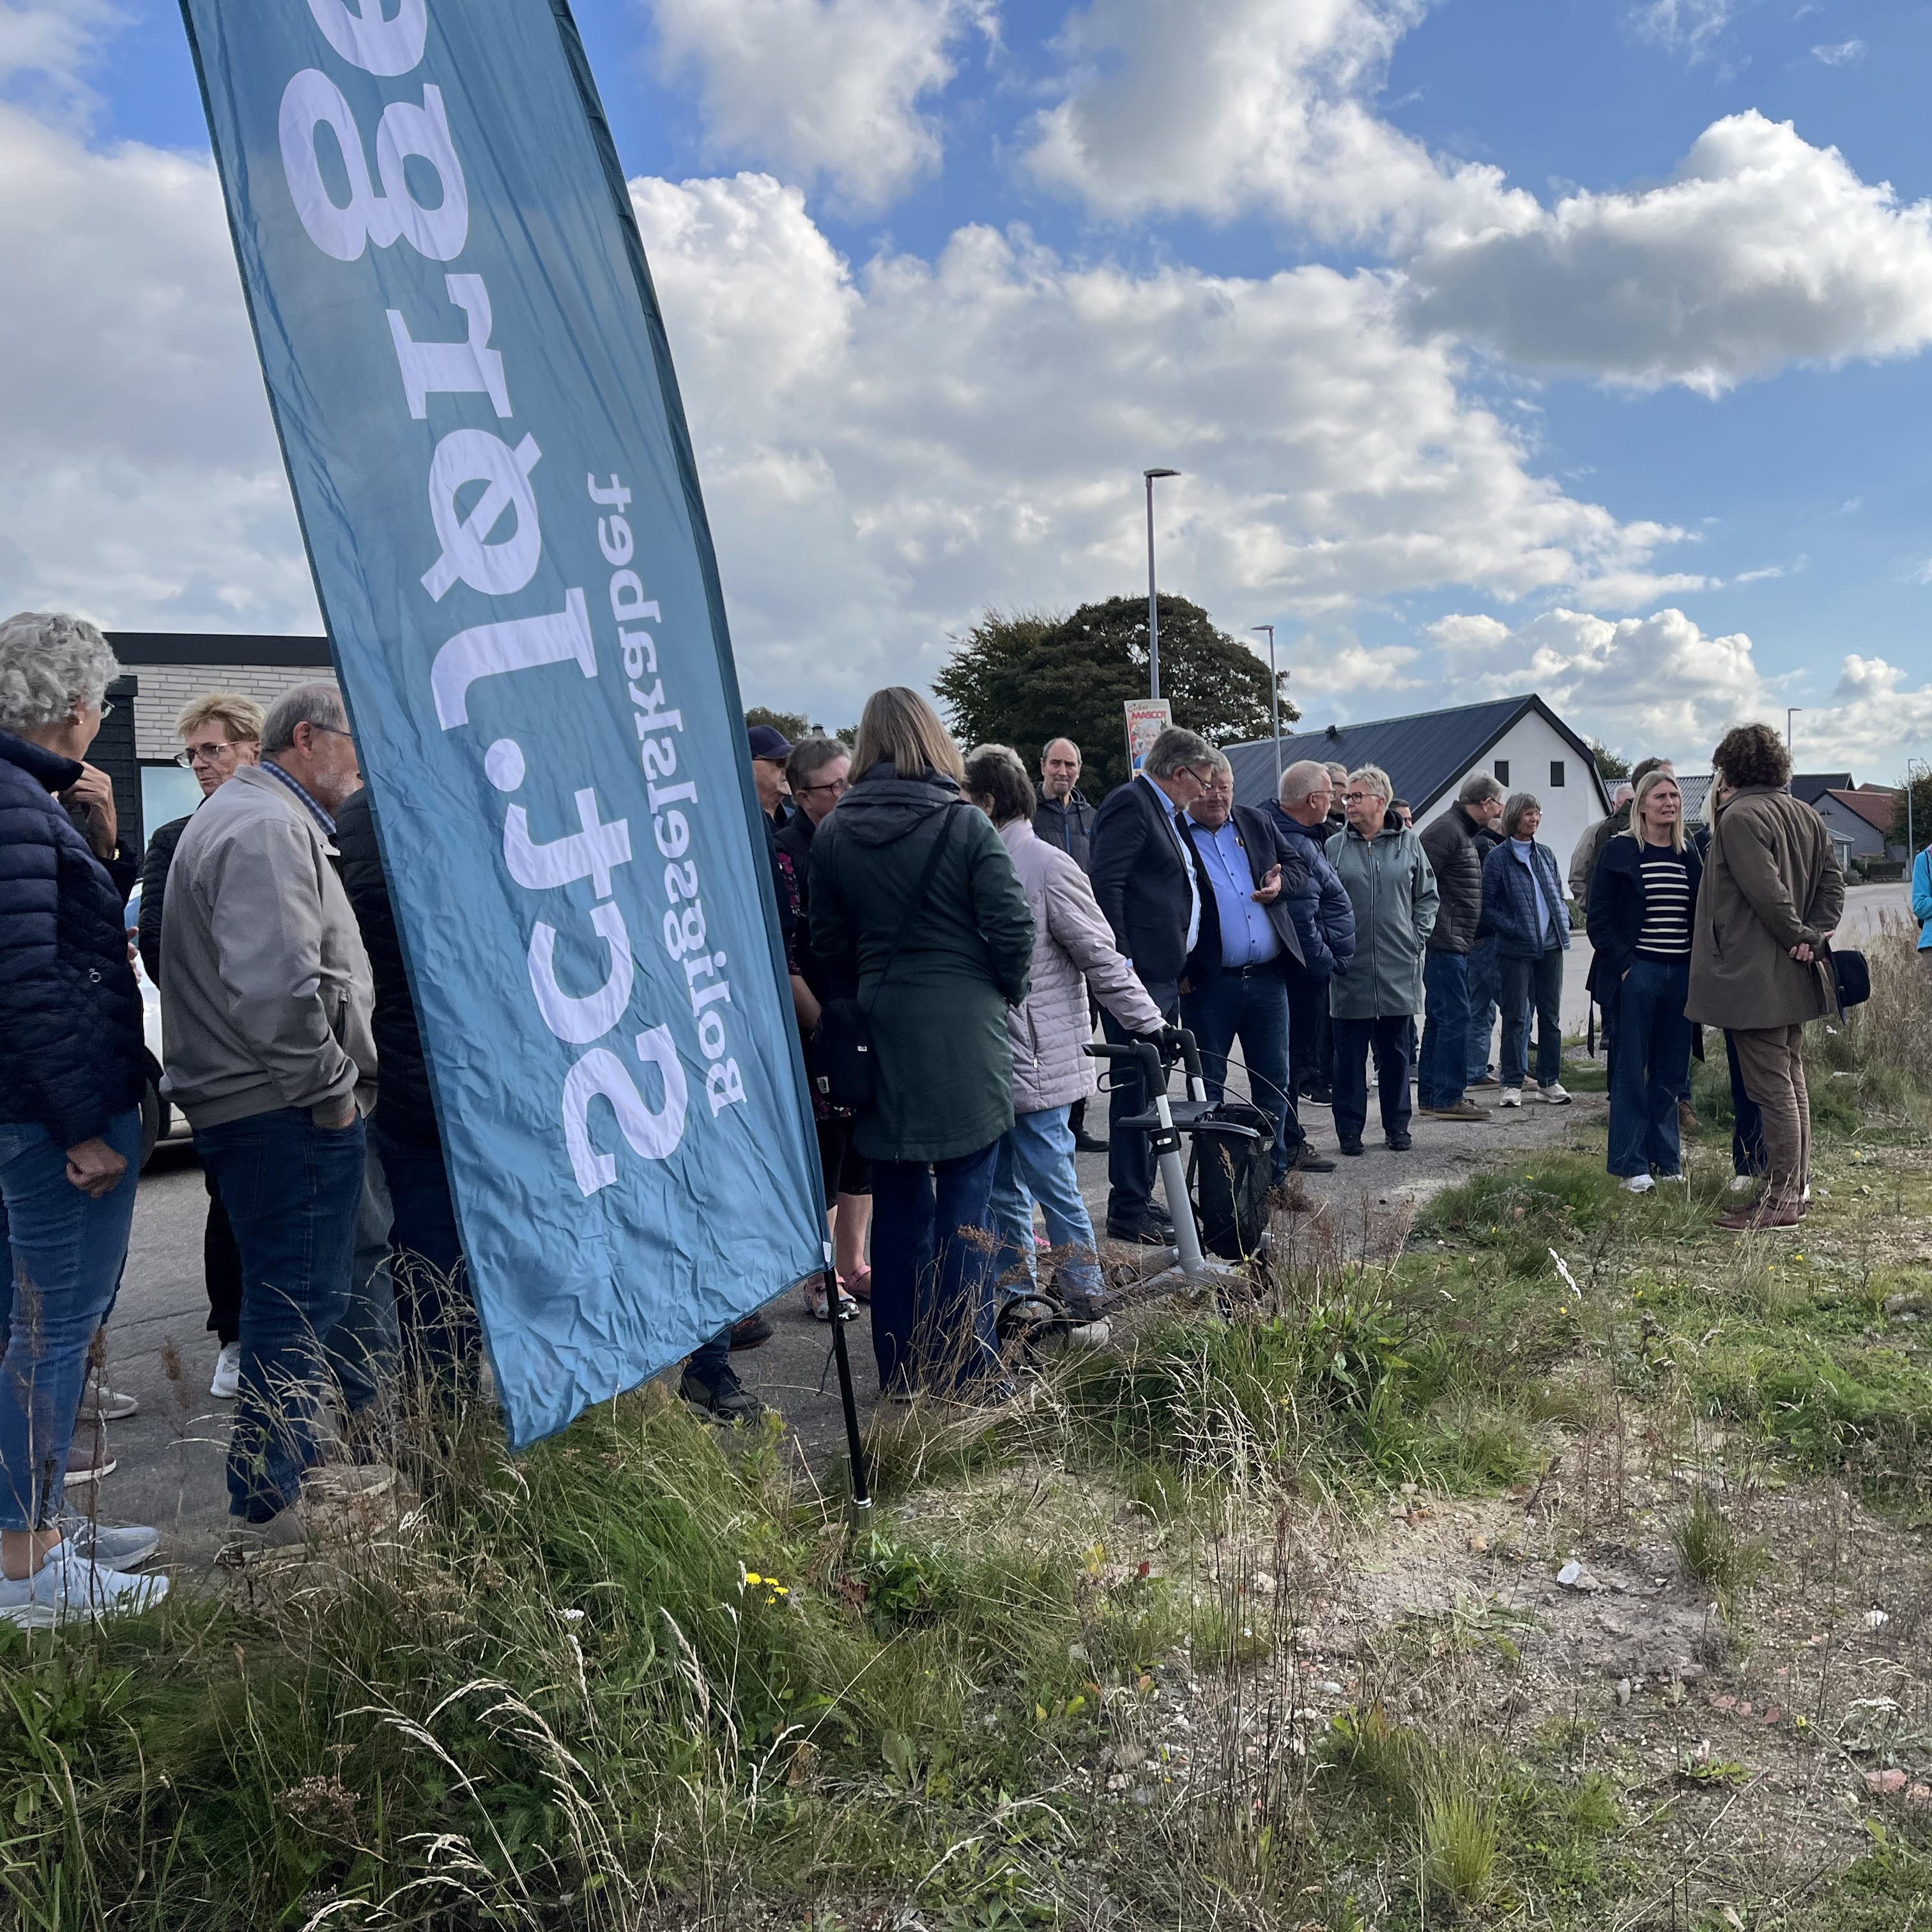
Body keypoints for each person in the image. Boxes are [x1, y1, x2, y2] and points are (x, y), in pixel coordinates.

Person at [162, 682, 391, 1537]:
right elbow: (280, 988)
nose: (363, 764)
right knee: (296, 1306)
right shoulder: (264, 826)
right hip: (281, 1107)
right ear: (309, 738)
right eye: (355, 743)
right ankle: (272, 1501)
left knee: (292, 1300)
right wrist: (332, 1095)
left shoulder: (260, 817)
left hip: (265, 1102)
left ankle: (281, 1477)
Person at [0, 612, 170, 1623]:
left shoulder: (34, 802)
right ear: (74, 706)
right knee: (50, 1333)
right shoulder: (16, 805)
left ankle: (37, 1527)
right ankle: (27, 1566)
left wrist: (103, 850)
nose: (101, 717)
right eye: (100, 701)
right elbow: (25, 983)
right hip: (47, 1120)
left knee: (26, 1327)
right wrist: (81, 1130)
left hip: (31, 1113)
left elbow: (65, 940)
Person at [809, 689, 1033, 1399]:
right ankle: (971, 1370)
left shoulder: (834, 833)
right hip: (967, 1032)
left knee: (898, 1206)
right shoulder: (966, 824)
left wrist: (866, 994)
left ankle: (902, 1372)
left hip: (882, 1033)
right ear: (935, 740)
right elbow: (1014, 928)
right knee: (969, 1207)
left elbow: (826, 946)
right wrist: (1002, 990)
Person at [963, 745, 1161, 1317]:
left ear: (988, 802)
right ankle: (1018, 1298)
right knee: (1003, 1187)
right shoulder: (974, 861)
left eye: (965, 798)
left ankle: (1083, 1292)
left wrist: (1149, 1022)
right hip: (990, 1055)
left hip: (1037, 1056)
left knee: (1053, 1183)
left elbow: (1100, 954)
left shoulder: (1047, 864)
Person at [137, 691, 265, 1399]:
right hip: (224, 1056)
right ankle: (235, 1336)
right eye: (191, 754)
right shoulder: (177, 838)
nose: (200, 765)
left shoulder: (292, 823)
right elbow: (163, 949)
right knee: (229, 1199)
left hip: (302, 1052)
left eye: (212, 749)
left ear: (253, 748)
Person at [334, 784, 482, 1390]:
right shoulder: (456, 797)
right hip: (464, 1076)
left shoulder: (354, 817)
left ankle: (445, 1412)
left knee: (427, 1267)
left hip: (402, 1076)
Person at [1687, 723, 1844, 1232]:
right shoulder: (1805, 814)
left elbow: (1766, 892)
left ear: (1729, 767)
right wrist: (1813, 937)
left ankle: (1781, 1200)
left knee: (1773, 1088)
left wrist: (1800, 933)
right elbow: (1833, 885)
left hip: (1753, 974)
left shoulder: (1739, 816)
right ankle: (1794, 1189)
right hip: (1793, 969)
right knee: (1790, 1080)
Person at [1089, 724, 1217, 1240]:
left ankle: (1140, 1196)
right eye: (1203, 781)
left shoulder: (1163, 812)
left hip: (1163, 976)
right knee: (1137, 1092)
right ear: (1180, 773)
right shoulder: (1132, 804)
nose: (1205, 791)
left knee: (1153, 1092)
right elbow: (1107, 886)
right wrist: (1123, 964)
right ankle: (1128, 1205)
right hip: (1137, 980)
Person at [1181, 753, 1331, 1177]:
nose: (1217, 796)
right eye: (1208, 787)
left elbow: (1299, 867)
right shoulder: (1176, 831)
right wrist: (1179, 970)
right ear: (1192, 787)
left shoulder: (1255, 822)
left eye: (1225, 787)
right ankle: (1219, 1187)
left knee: (1274, 1085)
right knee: (1208, 1086)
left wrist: (1281, 884)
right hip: (1208, 982)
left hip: (1268, 978)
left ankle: (1273, 1180)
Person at [774, 733, 873, 1322]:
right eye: (834, 786)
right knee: (825, 1148)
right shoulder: (784, 853)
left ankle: (855, 1263)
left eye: (849, 781)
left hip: (863, 1009)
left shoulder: (857, 840)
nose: (845, 793)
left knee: (864, 1141)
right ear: (802, 794)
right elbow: (782, 956)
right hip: (817, 1018)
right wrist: (822, 1027)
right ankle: (821, 1276)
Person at [1588, 770, 1701, 1192]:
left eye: (1674, 796)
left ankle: (1667, 1161)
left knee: (1671, 1072)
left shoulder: (1687, 853)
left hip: (1680, 975)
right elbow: (1599, 919)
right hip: (1638, 973)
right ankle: (1631, 1165)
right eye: (1660, 797)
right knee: (1631, 1072)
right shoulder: (1620, 851)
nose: (1670, 803)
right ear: (1642, 805)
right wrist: (1625, 966)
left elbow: (1701, 913)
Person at [1326, 765, 1438, 1154]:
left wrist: (1415, 939)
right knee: (1349, 1057)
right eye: (1347, 797)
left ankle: (1397, 1127)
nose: (1349, 803)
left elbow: (1427, 897)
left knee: (1396, 1054)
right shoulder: (1335, 847)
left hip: (1397, 966)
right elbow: (1323, 900)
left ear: (1381, 801)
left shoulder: (1410, 844)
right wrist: (1334, 945)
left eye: (1357, 796)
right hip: (1350, 969)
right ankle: (1349, 1131)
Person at [1417, 773, 1503, 1123]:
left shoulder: (1459, 830)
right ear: (1485, 803)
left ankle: (1431, 1096)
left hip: (1452, 940)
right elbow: (1419, 883)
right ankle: (1449, 1096)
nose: (1500, 810)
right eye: (1498, 803)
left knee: (1441, 1018)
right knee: (1455, 1017)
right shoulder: (1447, 830)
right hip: (1443, 941)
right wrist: (1432, 928)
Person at [1480, 793, 1574, 1109]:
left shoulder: (1546, 854)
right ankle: (1512, 1082)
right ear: (1514, 818)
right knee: (1516, 1016)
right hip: (1515, 949)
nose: (1535, 819)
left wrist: (1563, 918)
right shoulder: (1497, 858)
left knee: (1551, 1017)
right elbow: (1487, 907)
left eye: (1538, 813)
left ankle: (1548, 1081)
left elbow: (1557, 892)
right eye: (1528, 814)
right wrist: (1515, 928)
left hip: (1551, 946)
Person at [1459, 778, 1507, 1091]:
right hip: (1489, 937)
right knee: (1511, 1006)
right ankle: (1512, 1069)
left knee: (1479, 1006)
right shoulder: (1489, 849)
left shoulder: (1472, 842)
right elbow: (1494, 896)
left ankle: (1474, 1068)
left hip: (1472, 937)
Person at [748, 723, 795, 833]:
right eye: (781, 762)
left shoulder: (796, 820)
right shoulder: (740, 824)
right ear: (749, 764)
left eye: (790, 762)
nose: (787, 769)